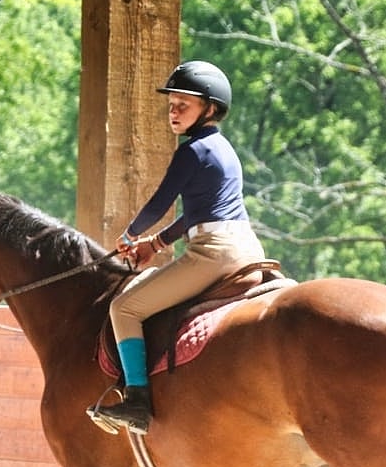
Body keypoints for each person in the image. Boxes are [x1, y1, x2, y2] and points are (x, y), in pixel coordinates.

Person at [90, 60, 266, 434]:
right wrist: (154, 243)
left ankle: (137, 400)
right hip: (247, 247)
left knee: (124, 308)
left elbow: (160, 203)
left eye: (183, 105)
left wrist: (128, 235)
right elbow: (193, 214)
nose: (174, 112)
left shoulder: (192, 152)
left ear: (210, 108)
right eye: (171, 105)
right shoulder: (222, 150)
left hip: (214, 252)